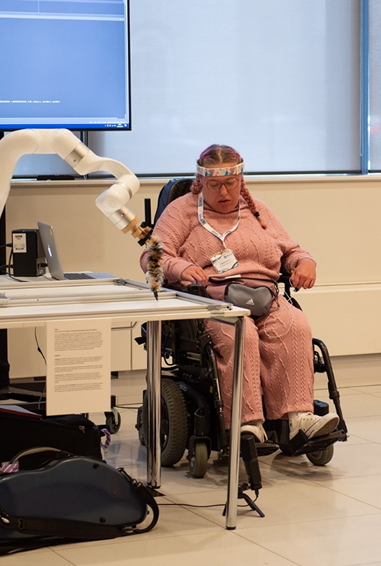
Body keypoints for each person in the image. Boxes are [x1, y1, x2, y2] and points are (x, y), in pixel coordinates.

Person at [141, 144, 339, 444]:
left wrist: (305, 263)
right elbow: (151, 258)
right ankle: (248, 423)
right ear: (201, 182)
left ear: (240, 181)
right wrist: (180, 268)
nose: (224, 192)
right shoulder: (182, 210)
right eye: (215, 185)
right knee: (241, 332)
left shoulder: (257, 210)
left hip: (264, 297)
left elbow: (292, 251)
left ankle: (299, 417)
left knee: (295, 325)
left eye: (231, 184)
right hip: (212, 301)